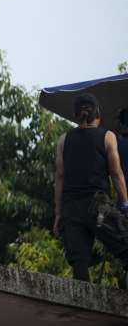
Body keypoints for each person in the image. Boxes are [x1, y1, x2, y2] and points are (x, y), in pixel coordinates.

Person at [54, 93, 128, 285]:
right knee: (125, 245)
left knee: (79, 261)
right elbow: (116, 173)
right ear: (98, 115)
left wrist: (58, 213)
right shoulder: (108, 136)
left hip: (71, 208)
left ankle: (82, 302)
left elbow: (60, 177)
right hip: (98, 207)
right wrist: (125, 204)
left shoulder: (64, 140)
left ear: (76, 115)